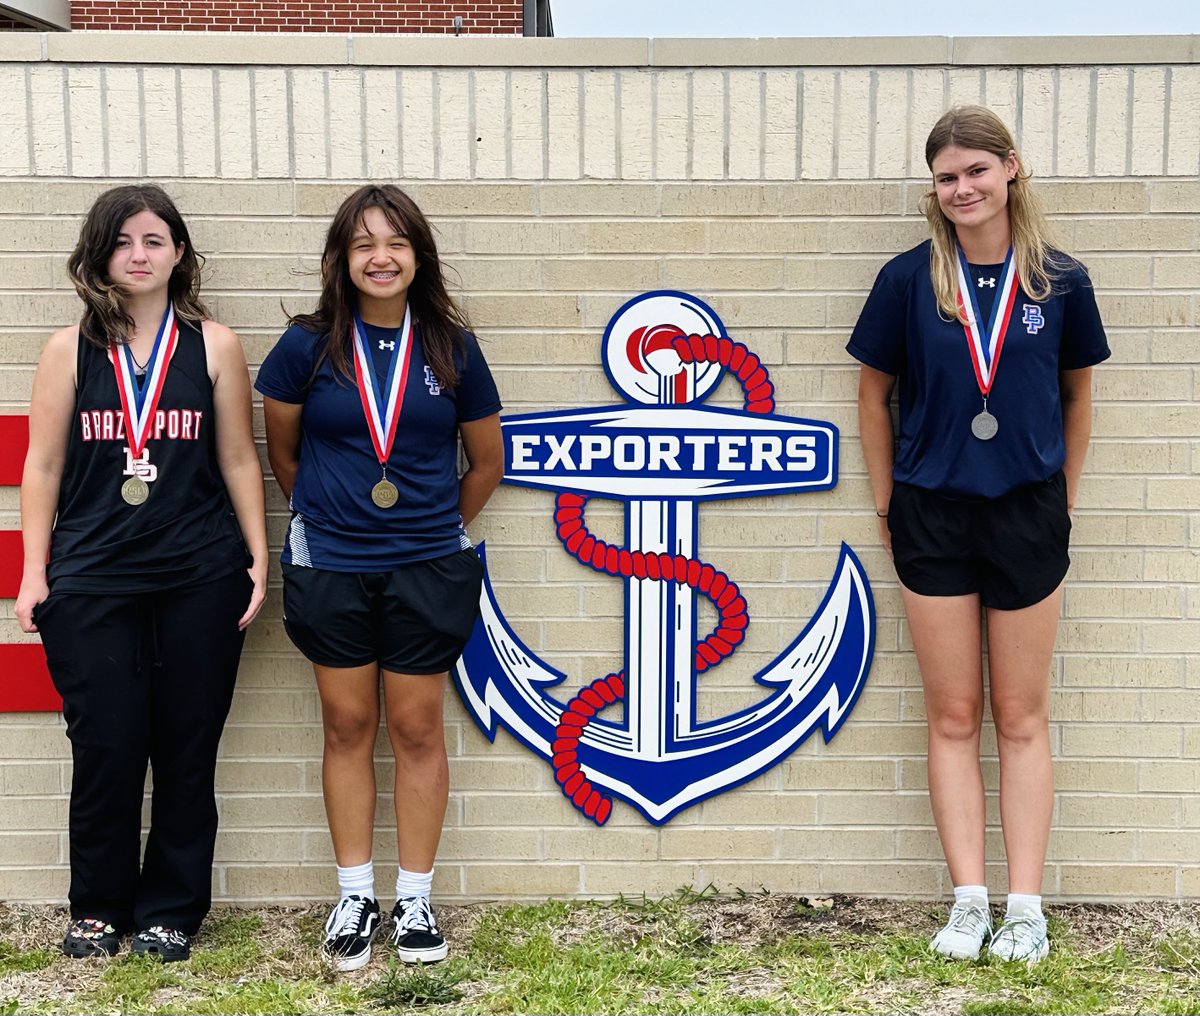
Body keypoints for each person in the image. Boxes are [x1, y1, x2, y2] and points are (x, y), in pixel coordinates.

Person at [847, 106, 1109, 964]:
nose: (961, 188)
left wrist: (1059, 500)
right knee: (954, 714)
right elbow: (871, 397)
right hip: (932, 513)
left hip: (1028, 515)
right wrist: (890, 505)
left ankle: (1024, 908)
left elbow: (1078, 397)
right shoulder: (907, 280)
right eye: (946, 176)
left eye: (975, 171)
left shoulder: (1061, 281)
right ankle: (968, 902)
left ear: (1011, 171)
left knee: (1022, 715)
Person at [16, 184, 268, 962]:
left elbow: (235, 456)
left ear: (179, 253)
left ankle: (171, 910)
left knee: (187, 746)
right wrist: (34, 571)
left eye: (154, 240)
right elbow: (44, 464)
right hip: (92, 579)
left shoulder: (215, 344)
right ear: (100, 254)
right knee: (106, 746)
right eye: (123, 241)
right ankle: (97, 905)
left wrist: (257, 557)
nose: (139, 254)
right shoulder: (69, 348)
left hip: (200, 573)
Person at [255, 184, 503, 971]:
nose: (380, 257)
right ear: (341, 259)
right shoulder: (306, 346)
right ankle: (356, 894)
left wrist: (427, 526)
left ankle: (417, 900)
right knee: (347, 727)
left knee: (419, 729)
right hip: (331, 564)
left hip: (428, 565)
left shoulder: (451, 347)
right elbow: (283, 456)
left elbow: (486, 462)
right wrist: (332, 520)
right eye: (364, 244)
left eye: (395, 242)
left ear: (417, 255)